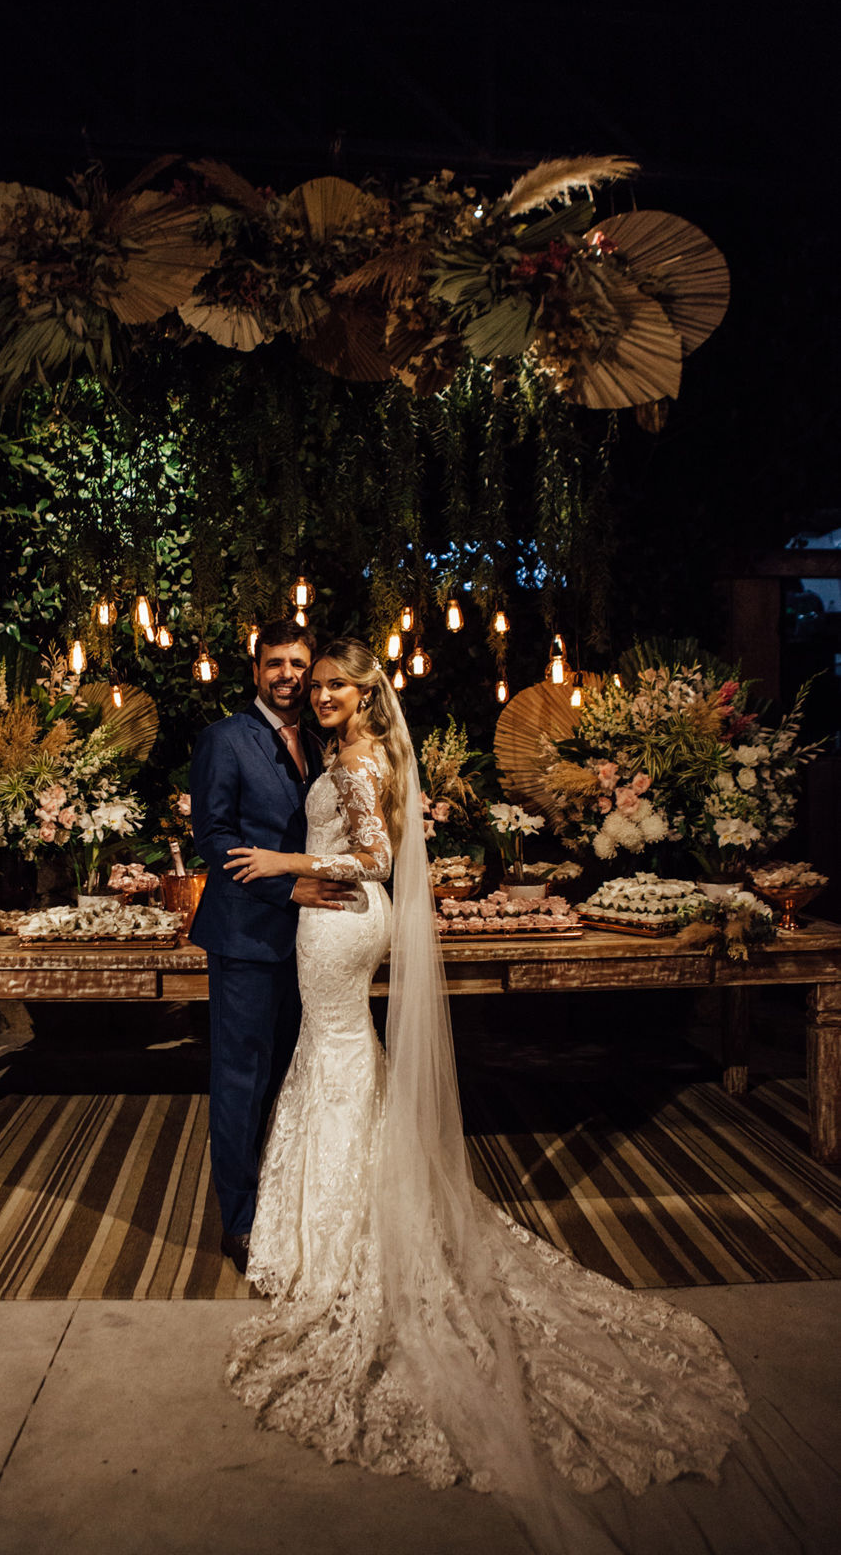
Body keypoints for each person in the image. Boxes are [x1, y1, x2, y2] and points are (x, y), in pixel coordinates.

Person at [222, 638, 754, 1552]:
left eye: (335, 684)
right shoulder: (368, 754)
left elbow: (377, 860)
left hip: (339, 922)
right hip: (341, 922)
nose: (320, 697)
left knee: (337, 1056)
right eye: (314, 687)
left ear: (364, 691)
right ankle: (346, 1218)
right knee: (339, 1057)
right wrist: (302, 868)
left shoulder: (355, 760)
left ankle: (344, 1240)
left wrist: (279, 865)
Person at [189, 621, 353, 1275]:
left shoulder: (324, 740)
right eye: (274, 664)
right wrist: (288, 891)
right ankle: (240, 1223)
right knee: (240, 1081)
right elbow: (214, 837)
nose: (287, 675)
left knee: (294, 1077)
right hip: (247, 938)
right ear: (255, 670)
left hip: (315, 946)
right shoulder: (225, 740)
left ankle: (289, 1200)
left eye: (297, 665)